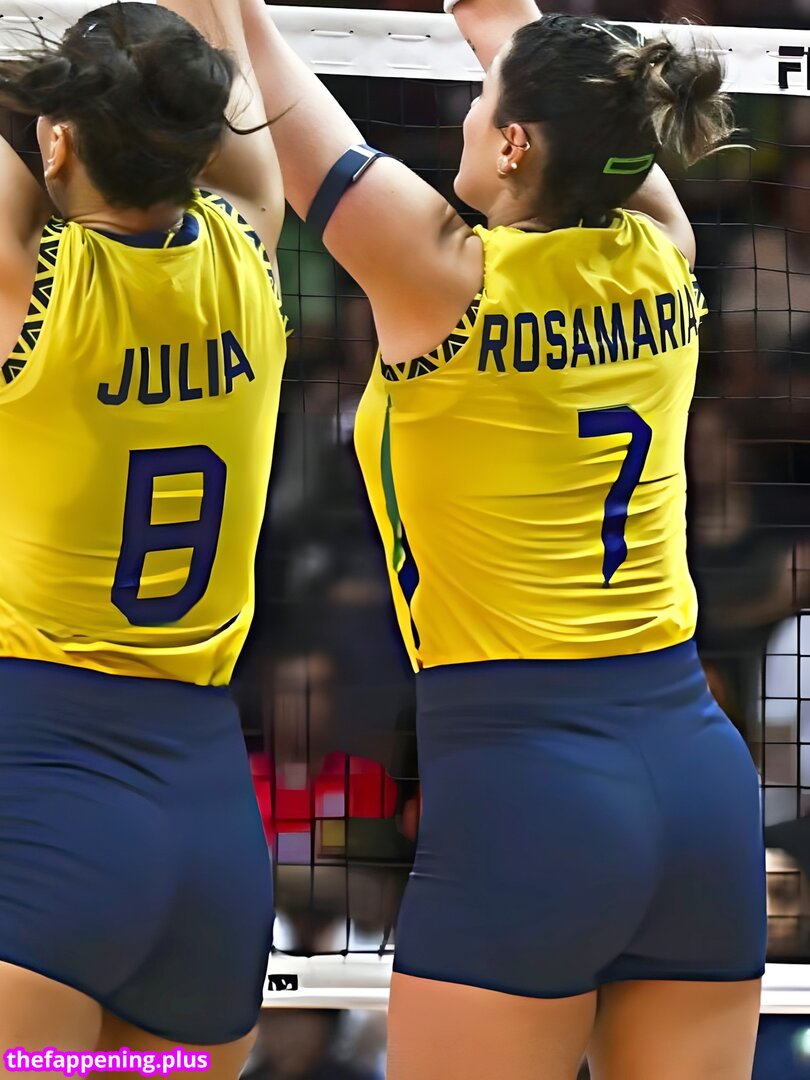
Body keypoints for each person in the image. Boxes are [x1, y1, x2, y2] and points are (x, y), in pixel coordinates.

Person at [238, 1, 765, 1077]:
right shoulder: (665, 246)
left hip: (528, 786)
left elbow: (247, 49)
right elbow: (519, 38)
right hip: (700, 779)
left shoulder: (442, 281)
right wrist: (510, 47)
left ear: (516, 143)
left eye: (482, 103)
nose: (470, 115)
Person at [0, 0, 285, 1072]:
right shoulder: (251, 246)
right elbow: (224, 100)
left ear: (58, 140)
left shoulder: (34, 292)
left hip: (42, 792)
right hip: (210, 833)